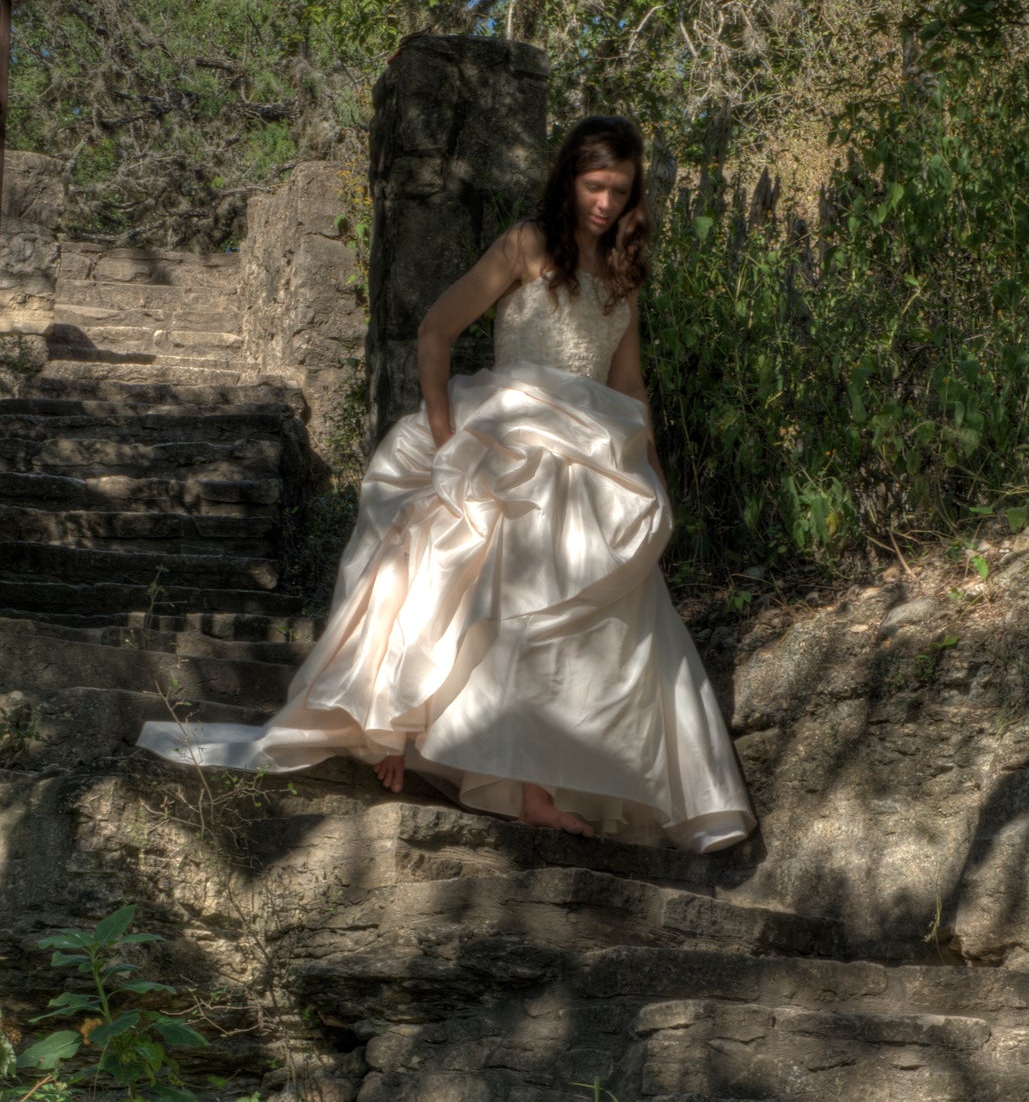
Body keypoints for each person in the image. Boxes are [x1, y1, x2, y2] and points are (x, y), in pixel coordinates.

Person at [137, 114, 757, 854]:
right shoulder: (527, 245)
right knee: (467, 585)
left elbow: (630, 390)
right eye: (595, 185)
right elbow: (435, 329)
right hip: (506, 439)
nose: (604, 203)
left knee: (586, 623)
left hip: (589, 461)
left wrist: (649, 478)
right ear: (568, 178)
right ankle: (471, 762)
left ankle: (551, 780)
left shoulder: (622, 278)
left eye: (619, 192)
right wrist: (443, 433)